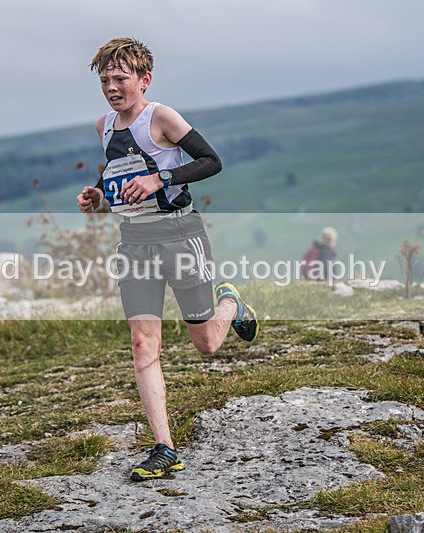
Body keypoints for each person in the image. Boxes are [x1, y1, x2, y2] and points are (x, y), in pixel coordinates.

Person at [76, 37, 259, 481]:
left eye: (120, 78)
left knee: (206, 343)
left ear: (144, 79)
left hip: (180, 235)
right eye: (105, 80)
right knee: (143, 343)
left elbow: (211, 161)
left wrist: (162, 179)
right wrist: (98, 195)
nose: (111, 88)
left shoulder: (162, 117)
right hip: (134, 242)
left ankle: (231, 304)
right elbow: (118, 174)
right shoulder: (103, 125)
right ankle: (164, 448)